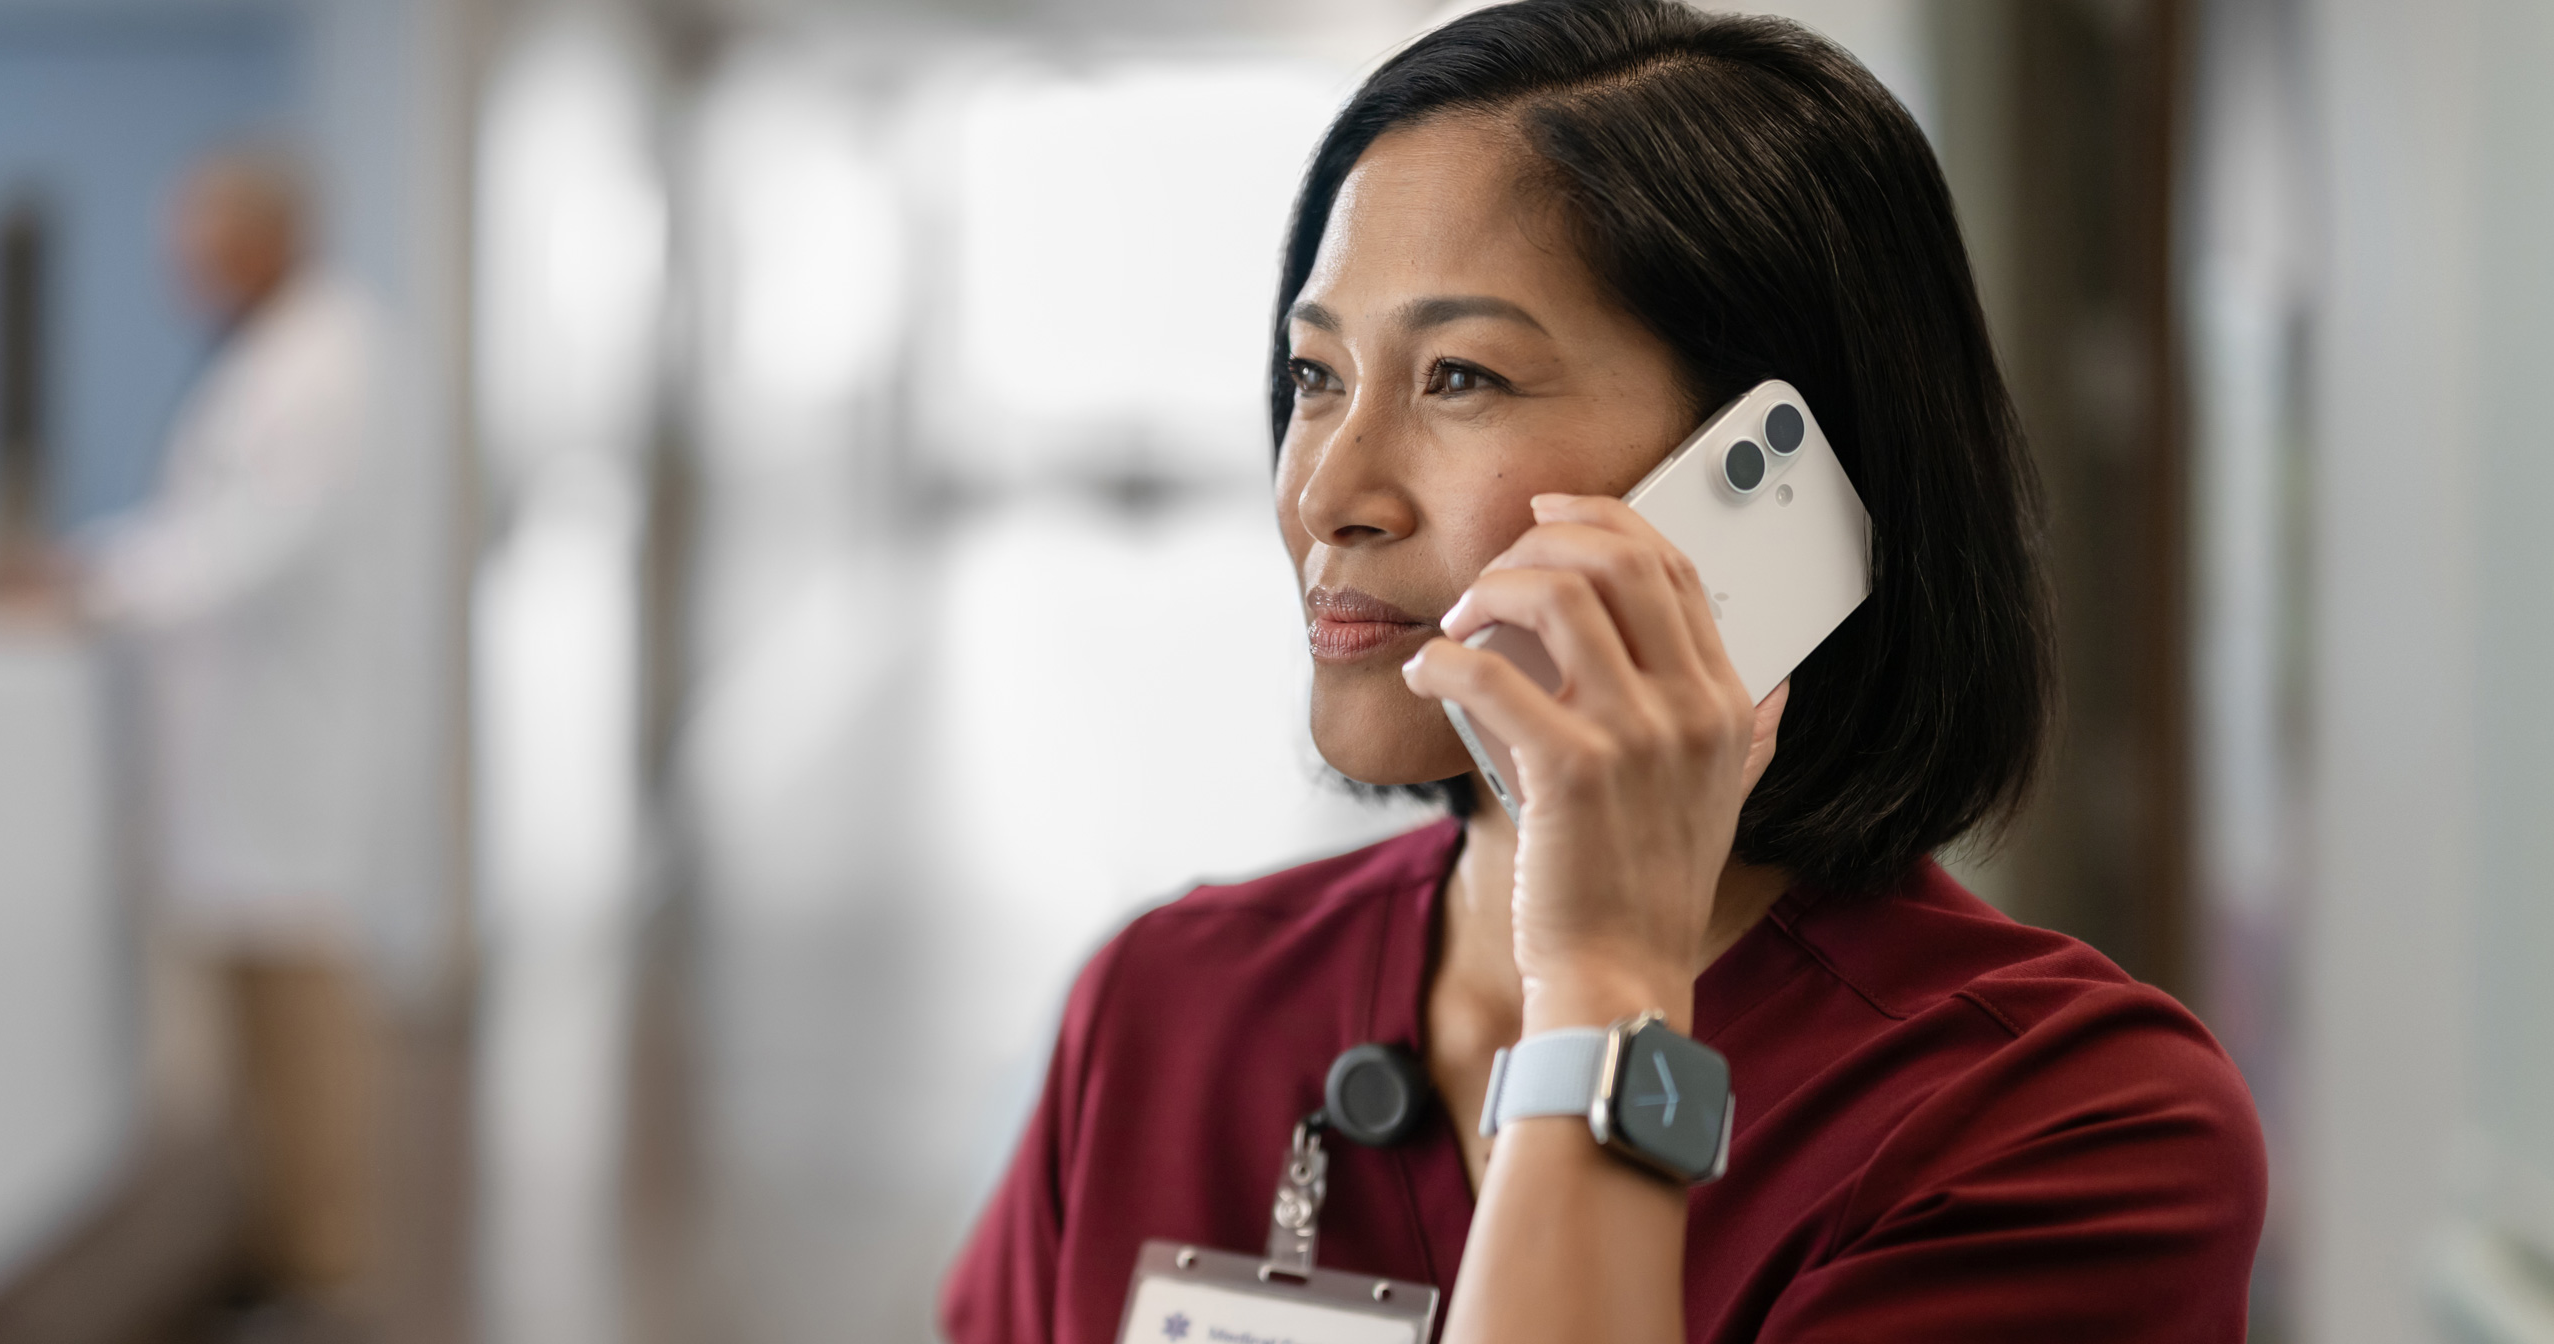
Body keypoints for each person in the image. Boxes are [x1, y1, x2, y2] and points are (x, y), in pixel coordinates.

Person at [940, 4, 2266, 1342]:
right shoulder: (1172, 1010)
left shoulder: (2063, 1129)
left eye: (1461, 377)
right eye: (1317, 374)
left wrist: (1606, 993)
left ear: (1777, 485)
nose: (1328, 490)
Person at [78, 148, 433, 1328]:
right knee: (252, 1012)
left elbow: (251, 543)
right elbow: (213, 523)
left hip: (292, 740)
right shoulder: (282, 355)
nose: (181, 266)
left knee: (300, 1007)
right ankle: (278, 1234)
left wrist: (98, 585)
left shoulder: (324, 364)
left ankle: (320, 1258)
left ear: (271, 236)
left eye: (202, 239)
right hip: (252, 747)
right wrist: (108, 573)